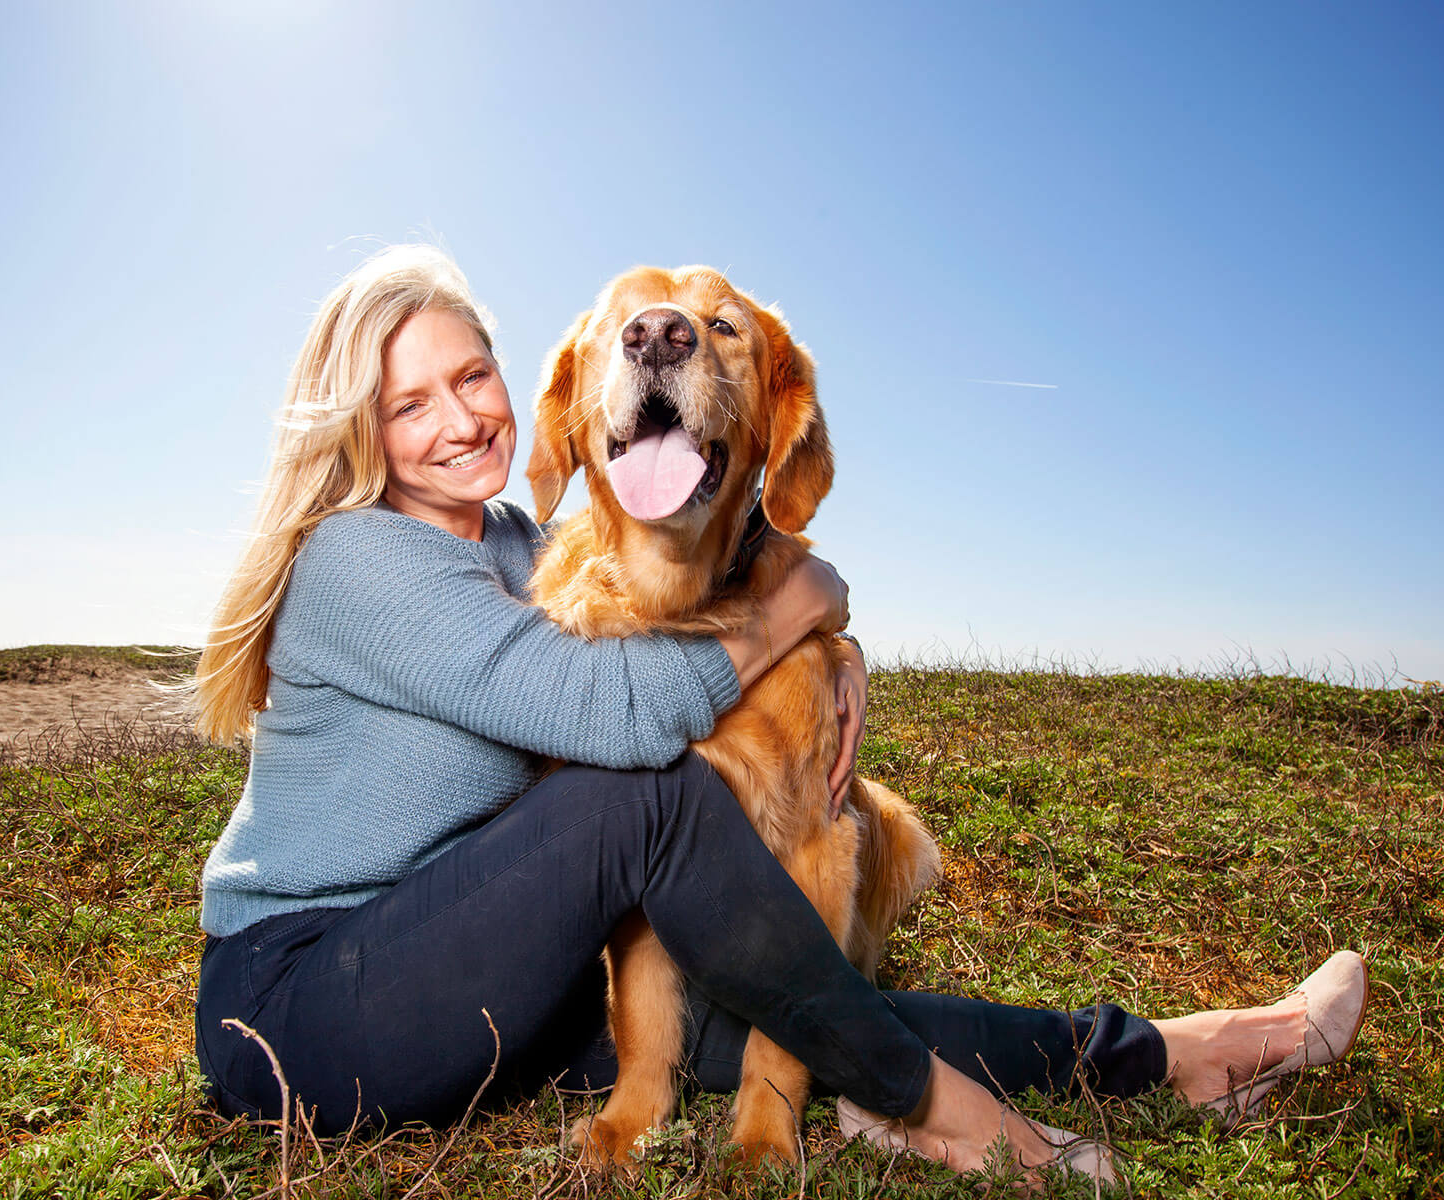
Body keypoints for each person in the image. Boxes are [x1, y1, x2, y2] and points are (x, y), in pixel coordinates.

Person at [191, 245, 1369, 1181]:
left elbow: (652, 574)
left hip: (477, 966)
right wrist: (797, 606)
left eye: (472, 377)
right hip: (304, 1011)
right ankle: (944, 1117)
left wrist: (827, 634)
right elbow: (613, 715)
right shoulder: (359, 562)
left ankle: (1188, 1051)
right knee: (644, 786)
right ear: (360, 429)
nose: (458, 419)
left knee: (799, 995)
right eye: (409, 405)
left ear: (519, 389)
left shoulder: (514, 545)